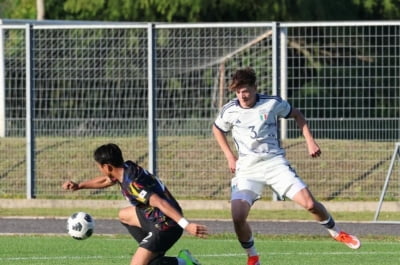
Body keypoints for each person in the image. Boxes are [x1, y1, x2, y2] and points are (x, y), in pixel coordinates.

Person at [212, 67, 361, 265]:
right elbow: (217, 129)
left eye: (245, 90)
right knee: (237, 216)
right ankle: (253, 256)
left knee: (309, 204)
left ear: (255, 88)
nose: (242, 95)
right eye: (238, 92)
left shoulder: (272, 103)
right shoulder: (230, 110)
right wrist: (230, 156)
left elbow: (297, 115)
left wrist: (310, 141)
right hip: (247, 169)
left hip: (274, 163)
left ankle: (336, 232)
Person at [62, 143, 207, 265]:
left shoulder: (133, 184)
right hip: (154, 216)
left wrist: (186, 224)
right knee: (124, 215)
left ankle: (180, 262)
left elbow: (160, 202)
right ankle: (153, 253)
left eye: (99, 166)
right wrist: (79, 185)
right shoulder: (125, 168)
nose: (99, 169)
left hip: (166, 226)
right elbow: (107, 180)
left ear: (107, 167)